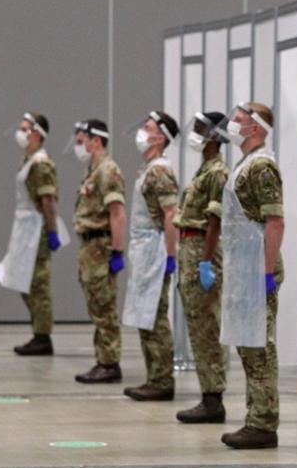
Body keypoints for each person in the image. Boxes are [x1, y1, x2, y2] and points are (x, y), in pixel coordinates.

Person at [218, 102, 284, 449]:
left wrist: (267, 272)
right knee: (247, 345)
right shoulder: (244, 164)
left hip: (257, 268)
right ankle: (254, 416)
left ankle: (263, 422)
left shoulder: (261, 166)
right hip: (243, 267)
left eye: (240, 120)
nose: (232, 124)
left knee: (260, 346)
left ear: (256, 128)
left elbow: (275, 221)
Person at [0, 112, 66, 356]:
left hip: (37, 229)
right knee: (22, 280)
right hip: (24, 227)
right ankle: (38, 330)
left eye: (24, 128)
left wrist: (52, 231)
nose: (20, 133)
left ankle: (43, 336)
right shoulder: (28, 160)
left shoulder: (41, 163)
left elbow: (47, 200)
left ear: (36, 133)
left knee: (38, 284)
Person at [174, 112, 231, 423]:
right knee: (197, 325)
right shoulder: (204, 169)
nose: (194, 134)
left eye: (200, 129)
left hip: (202, 250)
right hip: (191, 248)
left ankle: (213, 398)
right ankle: (207, 393)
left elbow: (214, 220)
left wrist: (207, 261)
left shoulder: (218, 172)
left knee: (206, 325)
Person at [121, 111, 181, 401]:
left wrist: (170, 255)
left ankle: (161, 380)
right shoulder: (148, 169)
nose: (141, 133)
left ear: (160, 137)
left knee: (155, 315)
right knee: (145, 315)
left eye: (147, 128)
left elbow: (171, 215)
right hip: (143, 247)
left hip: (155, 247)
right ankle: (153, 377)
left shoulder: (160, 171)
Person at [72, 119, 127, 384]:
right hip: (89, 246)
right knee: (96, 304)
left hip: (101, 246)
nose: (77, 145)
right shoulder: (94, 170)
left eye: (81, 140)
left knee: (104, 306)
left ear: (96, 141)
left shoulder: (107, 170)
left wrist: (117, 252)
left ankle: (109, 363)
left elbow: (117, 213)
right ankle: (102, 359)